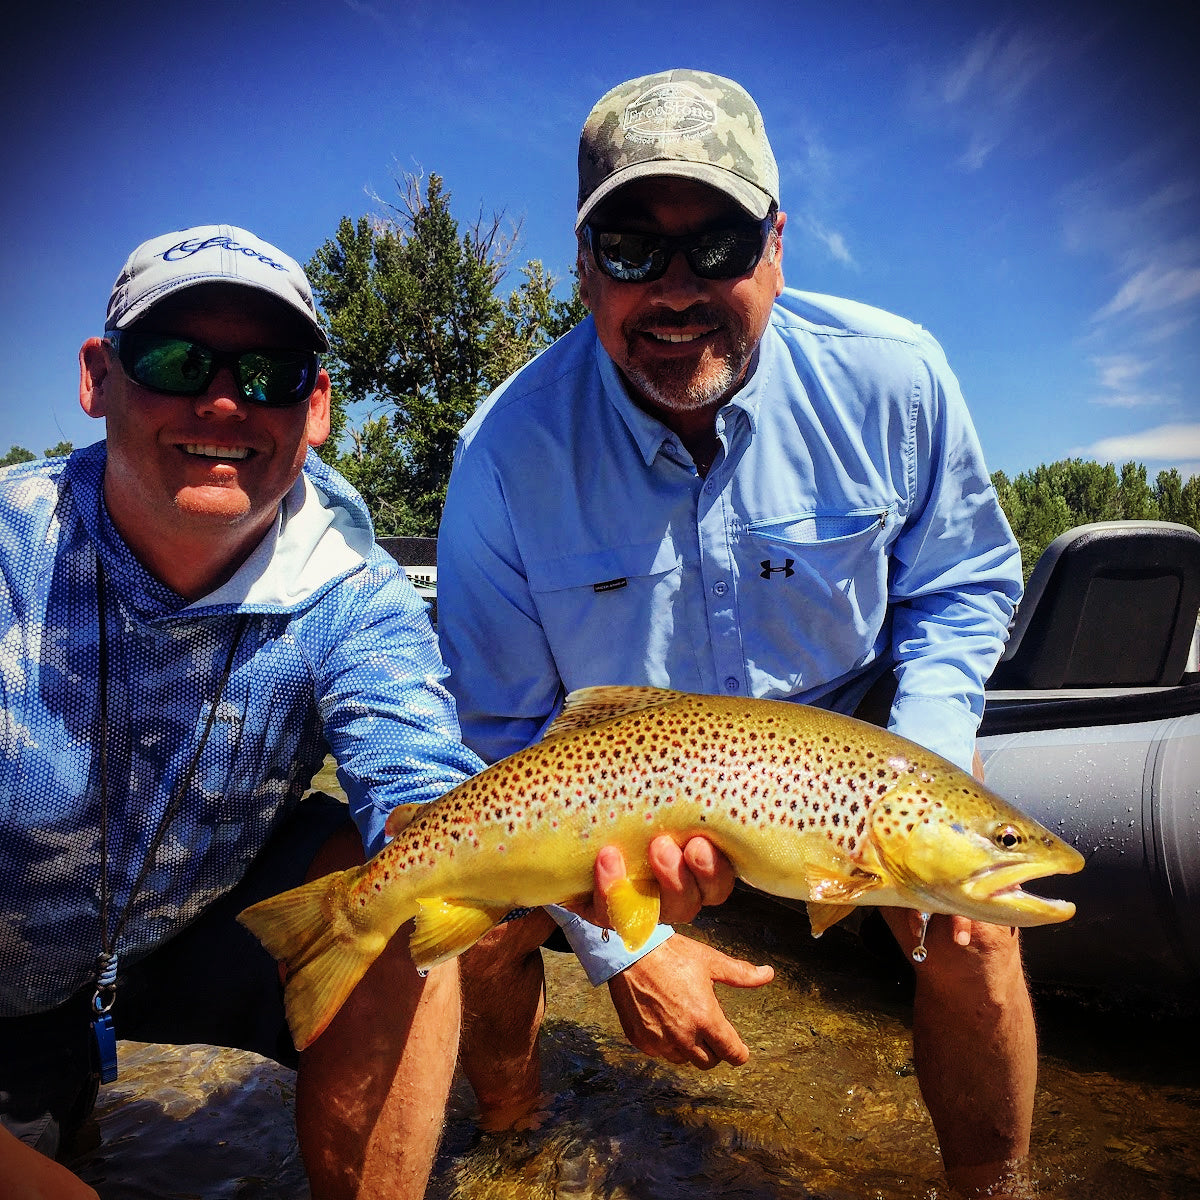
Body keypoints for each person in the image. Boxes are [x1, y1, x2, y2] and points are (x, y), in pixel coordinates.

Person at [0, 223, 727, 1200]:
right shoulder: (14, 557)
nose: (222, 399)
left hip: (198, 939)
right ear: (98, 376)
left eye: (271, 372)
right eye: (175, 360)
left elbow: (427, 799)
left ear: (317, 408)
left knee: (399, 894)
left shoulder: (355, 596)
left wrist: (612, 921)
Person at [437, 70, 1029, 1198]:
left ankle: (993, 1187)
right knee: (476, 918)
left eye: (714, 244)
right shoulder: (503, 456)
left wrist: (924, 770)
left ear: (777, 243)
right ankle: (517, 1143)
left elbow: (961, 584)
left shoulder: (893, 379)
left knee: (975, 925)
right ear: (580, 266)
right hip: (617, 770)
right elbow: (503, 735)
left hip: (844, 742)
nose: (673, 289)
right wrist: (625, 945)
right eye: (628, 248)